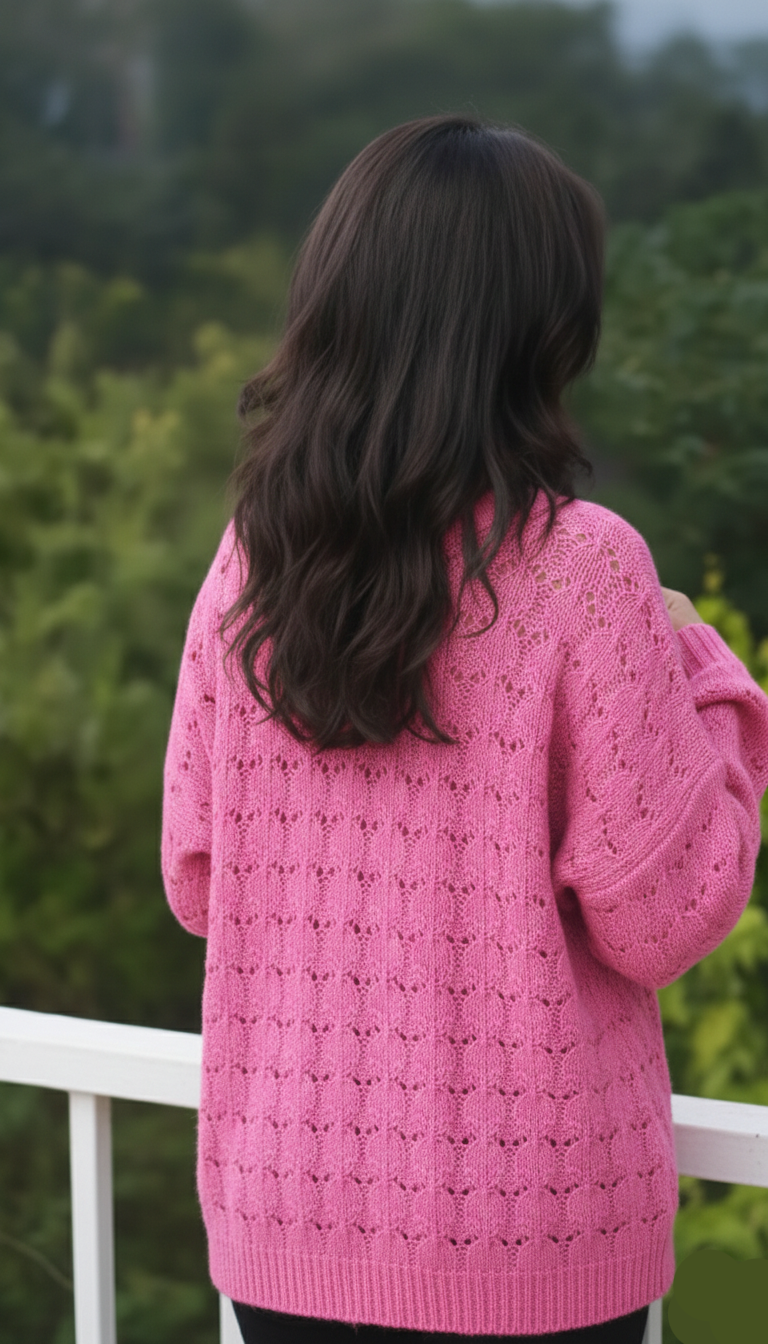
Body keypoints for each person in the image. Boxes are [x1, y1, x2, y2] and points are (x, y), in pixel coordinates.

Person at [161, 115, 768, 1343]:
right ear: (537, 330)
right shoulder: (588, 572)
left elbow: (197, 883)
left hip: (285, 1241)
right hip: (538, 1254)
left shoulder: (251, 567)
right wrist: (707, 673)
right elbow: (665, 917)